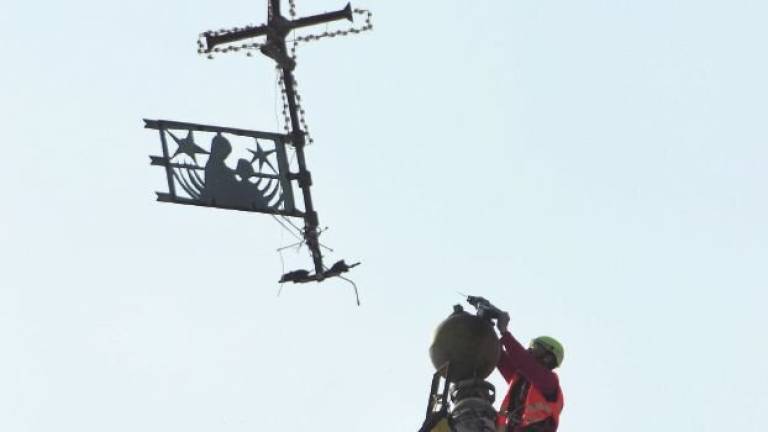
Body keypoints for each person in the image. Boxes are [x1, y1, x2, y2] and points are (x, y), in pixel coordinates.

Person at [495, 311, 565, 432]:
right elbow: (499, 357)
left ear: (548, 358)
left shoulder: (549, 381)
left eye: (536, 348)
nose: (529, 349)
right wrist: (487, 330)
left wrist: (505, 333)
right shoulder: (520, 379)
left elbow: (523, 361)